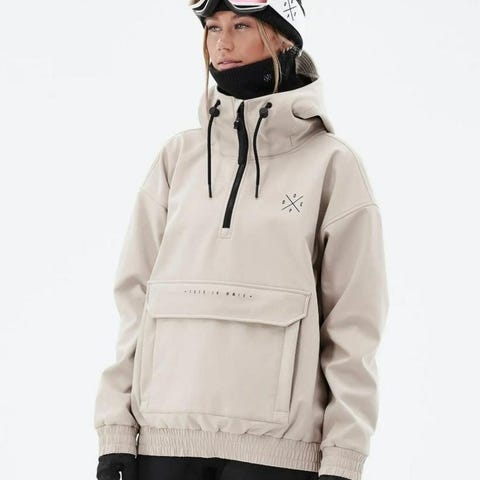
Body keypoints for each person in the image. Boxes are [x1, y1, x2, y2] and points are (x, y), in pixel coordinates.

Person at [93, 1, 389, 479]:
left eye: (241, 25)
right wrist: (115, 430)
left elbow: (354, 326)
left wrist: (344, 456)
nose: (222, 43)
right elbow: (135, 301)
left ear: (282, 37)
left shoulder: (332, 165)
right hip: (163, 442)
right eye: (213, 28)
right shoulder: (178, 158)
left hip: (278, 454)